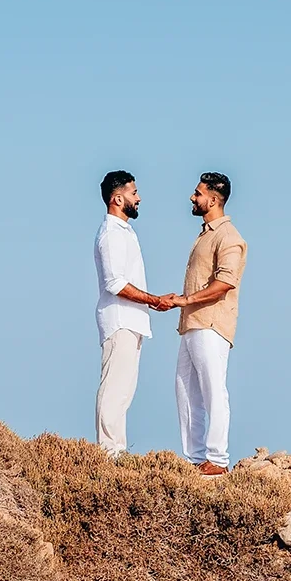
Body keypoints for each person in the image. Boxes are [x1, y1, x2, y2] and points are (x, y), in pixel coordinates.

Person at [158, 172, 246, 475]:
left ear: (213, 199)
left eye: (198, 193)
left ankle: (218, 458)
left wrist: (184, 300)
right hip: (192, 324)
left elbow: (225, 282)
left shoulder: (229, 237)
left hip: (211, 324)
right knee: (185, 390)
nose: (193, 198)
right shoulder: (206, 234)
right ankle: (195, 457)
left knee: (213, 390)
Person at [92, 171, 175, 456]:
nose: (138, 198)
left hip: (133, 321)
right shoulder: (111, 234)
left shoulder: (125, 231)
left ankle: (118, 450)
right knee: (115, 387)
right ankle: (108, 452)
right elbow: (114, 283)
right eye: (134, 192)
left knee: (125, 390)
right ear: (118, 198)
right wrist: (154, 301)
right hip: (120, 320)